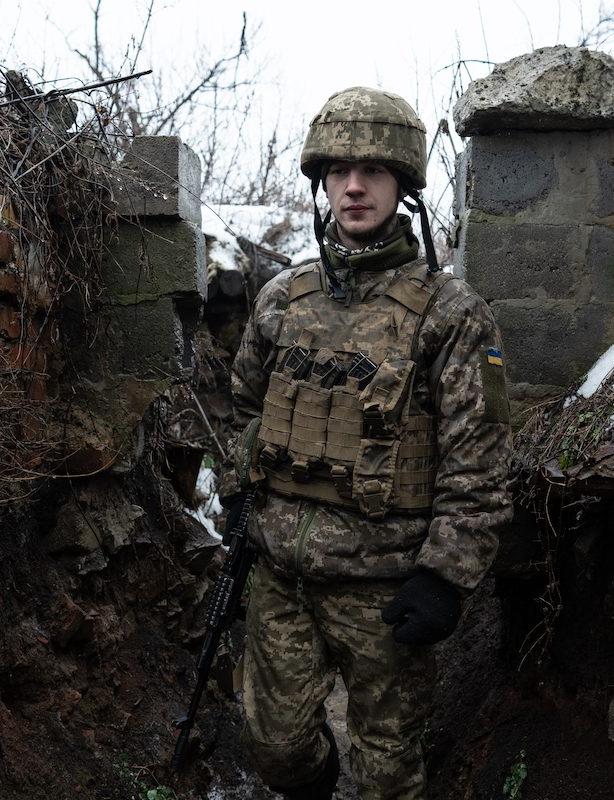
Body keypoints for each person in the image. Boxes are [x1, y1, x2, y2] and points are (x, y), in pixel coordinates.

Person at [220, 86, 513, 800]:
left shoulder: (452, 314)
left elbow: (479, 458)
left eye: (373, 171)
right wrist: (240, 513)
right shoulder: (282, 299)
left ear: (402, 184)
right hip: (284, 580)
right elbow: (246, 414)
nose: (354, 186)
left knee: (387, 770)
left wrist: (445, 576)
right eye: (340, 171)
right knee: (279, 752)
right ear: (321, 181)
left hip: (386, 586)